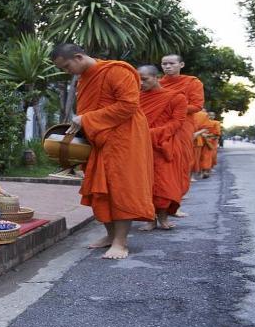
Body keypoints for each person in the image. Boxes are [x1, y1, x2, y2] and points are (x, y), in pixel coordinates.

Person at [50, 43, 154, 259]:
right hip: (97, 138)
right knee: (98, 189)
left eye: (66, 66)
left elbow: (128, 106)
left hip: (124, 137)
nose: (66, 71)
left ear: (79, 57)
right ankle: (109, 235)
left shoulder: (117, 70)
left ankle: (120, 242)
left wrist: (86, 119)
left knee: (121, 188)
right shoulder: (84, 78)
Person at [136, 65, 188, 231]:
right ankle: (149, 218)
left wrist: (152, 133)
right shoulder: (135, 98)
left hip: (165, 144)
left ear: (156, 77)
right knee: (145, 183)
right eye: (138, 80)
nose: (141, 83)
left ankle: (163, 218)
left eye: (145, 79)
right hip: (141, 145)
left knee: (164, 183)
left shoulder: (176, 97)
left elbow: (177, 122)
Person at [159, 54, 204, 189]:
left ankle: (176, 197)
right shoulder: (157, 84)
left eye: (171, 63)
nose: (167, 66)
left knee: (181, 160)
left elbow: (197, 106)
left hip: (182, 127)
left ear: (181, 65)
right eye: (164, 64)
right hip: (160, 127)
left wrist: (174, 108)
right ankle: (161, 200)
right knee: (161, 162)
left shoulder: (192, 82)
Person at [199, 111, 221, 178]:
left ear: (214, 116)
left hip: (211, 142)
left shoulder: (216, 123)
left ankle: (206, 171)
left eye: (212, 115)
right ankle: (202, 171)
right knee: (201, 156)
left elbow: (217, 133)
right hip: (202, 141)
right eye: (209, 115)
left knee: (210, 156)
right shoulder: (202, 123)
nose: (211, 117)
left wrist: (207, 135)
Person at [191, 109, 211, 179]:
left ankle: (192, 175)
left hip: (196, 140)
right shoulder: (180, 109)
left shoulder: (202, 115)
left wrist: (196, 133)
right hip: (181, 138)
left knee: (195, 158)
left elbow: (206, 129)